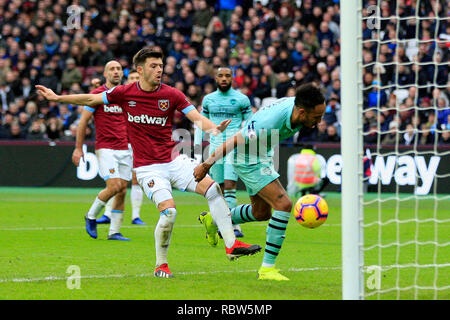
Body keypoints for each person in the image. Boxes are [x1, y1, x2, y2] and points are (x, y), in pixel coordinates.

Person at [36, 47, 261, 278]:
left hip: (173, 159)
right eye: (153, 66)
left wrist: (212, 128)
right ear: (140, 69)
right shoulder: (124, 92)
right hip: (147, 167)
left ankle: (231, 245)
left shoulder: (172, 94)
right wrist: (57, 97)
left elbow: (196, 117)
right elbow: (92, 98)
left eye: (161, 66)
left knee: (213, 189)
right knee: (170, 213)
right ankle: (160, 266)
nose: (159, 70)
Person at [194, 83, 326, 281]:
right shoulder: (269, 122)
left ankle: (214, 221)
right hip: (248, 159)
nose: (319, 121)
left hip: (263, 153)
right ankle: (267, 269)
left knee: (261, 213)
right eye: (316, 117)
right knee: (283, 204)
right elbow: (236, 140)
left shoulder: (299, 106)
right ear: (301, 112)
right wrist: (206, 165)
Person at [70, 60, 131, 241]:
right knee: (114, 186)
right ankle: (91, 215)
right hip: (105, 148)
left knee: (122, 191)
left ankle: (114, 232)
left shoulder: (126, 96)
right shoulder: (97, 94)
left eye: (118, 69)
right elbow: (83, 122)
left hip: (124, 148)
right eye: (111, 69)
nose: (115, 72)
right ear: (105, 74)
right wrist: (78, 148)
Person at [194, 66, 252, 238]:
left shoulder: (241, 99)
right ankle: (223, 222)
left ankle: (234, 225)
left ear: (232, 78)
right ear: (216, 78)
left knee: (230, 185)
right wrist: (198, 151)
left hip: (234, 148)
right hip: (214, 149)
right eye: (221, 76)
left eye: (227, 75)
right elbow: (201, 123)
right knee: (218, 187)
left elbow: (250, 123)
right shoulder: (208, 100)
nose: (224, 78)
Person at [96, 69, 147, 226]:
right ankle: (107, 214)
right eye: (130, 78)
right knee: (115, 182)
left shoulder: (144, 98)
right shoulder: (123, 96)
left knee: (135, 180)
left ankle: (135, 216)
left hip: (137, 143)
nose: (133, 80)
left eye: (136, 78)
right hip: (121, 143)